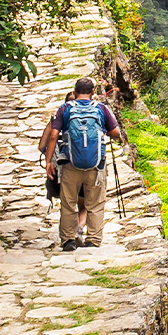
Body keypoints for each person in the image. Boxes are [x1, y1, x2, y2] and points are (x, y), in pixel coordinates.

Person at [44, 77, 123, 251]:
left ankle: (68, 239)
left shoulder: (65, 109)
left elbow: (53, 135)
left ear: (75, 91)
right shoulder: (101, 108)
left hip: (70, 164)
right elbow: (116, 133)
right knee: (95, 202)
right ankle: (93, 239)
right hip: (96, 165)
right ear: (93, 92)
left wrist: (49, 161)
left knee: (68, 202)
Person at [38, 90, 87, 237]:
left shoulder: (55, 120)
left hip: (61, 169)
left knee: (67, 204)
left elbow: (42, 146)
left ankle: (68, 233)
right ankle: (79, 227)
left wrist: (48, 160)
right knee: (84, 204)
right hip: (84, 166)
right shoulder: (87, 118)